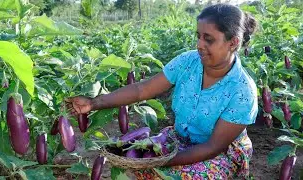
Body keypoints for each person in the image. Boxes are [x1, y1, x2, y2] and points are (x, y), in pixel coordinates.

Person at [66, 3, 258, 180]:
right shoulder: (187, 62)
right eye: (198, 36)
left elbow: (213, 146)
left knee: (172, 175)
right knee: (136, 159)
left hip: (220, 153)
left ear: (233, 43)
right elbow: (142, 90)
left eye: (208, 39)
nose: (200, 44)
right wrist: (94, 103)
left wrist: (162, 161)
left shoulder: (242, 91)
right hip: (179, 139)